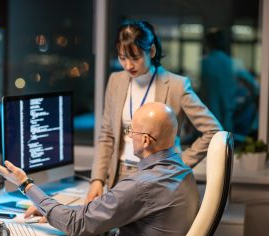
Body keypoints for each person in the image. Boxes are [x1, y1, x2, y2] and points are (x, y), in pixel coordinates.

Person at [0, 102, 199, 236]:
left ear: (145, 140)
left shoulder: (142, 185)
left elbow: (75, 224)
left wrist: (25, 184)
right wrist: (54, 210)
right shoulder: (182, 171)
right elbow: (92, 214)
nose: (129, 136)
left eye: (131, 131)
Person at [86, 20, 222, 203]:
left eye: (135, 58)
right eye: (122, 57)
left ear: (151, 51)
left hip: (158, 178)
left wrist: (179, 165)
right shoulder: (116, 81)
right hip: (119, 175)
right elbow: (107, 134)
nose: (128, 65)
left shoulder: (176, 85)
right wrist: (97, 179)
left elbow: (213, 130)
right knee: (118, 232)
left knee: (148, 232)